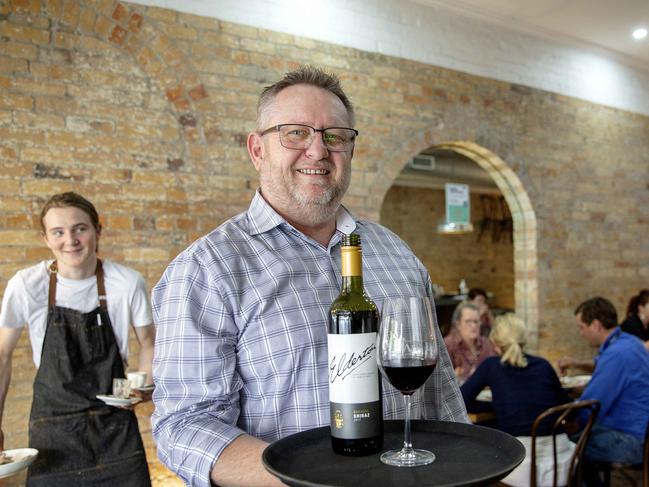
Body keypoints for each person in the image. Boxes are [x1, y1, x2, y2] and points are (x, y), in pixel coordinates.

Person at [151, 65, 468, 487]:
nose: (318, 151)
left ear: (350, 151)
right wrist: (307, 479)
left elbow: (441, 394)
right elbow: (186, 425)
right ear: (258, 150)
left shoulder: (398, 253)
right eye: (295, 133)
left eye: (334, 136)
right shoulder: (207, 269)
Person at [0, 192, 154, 486]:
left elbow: (148, 341)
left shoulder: (127, 282)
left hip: (114, 427)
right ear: (46, 238)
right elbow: (2, 356)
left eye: (80, 229)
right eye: (58, 232)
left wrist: (143, 384)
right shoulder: (26, 285)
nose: (70, 240)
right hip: (53, 431)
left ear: (98, 230)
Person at [461, 313, 573, 486]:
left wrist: (497, 405)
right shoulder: (543, 365)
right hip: (561, 463)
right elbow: (563, 405)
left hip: (520, 465)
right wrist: (500, 405)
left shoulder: (491, 365)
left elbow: (462, 400)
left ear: (495, 344)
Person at [569, 297, 649, 485]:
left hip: (628, 440)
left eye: (582, 327)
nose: (582, 333)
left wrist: (569, 420)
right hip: (642, 434)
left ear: (596, 325)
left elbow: (591, 405)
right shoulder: (631, 342)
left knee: (565, 445)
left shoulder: (617, 354)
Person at [444, 301, 497, 383]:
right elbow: (443, 381)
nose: (473, 325)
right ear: (458, 324)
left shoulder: (487, 343)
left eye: (476, 321)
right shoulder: (448, 344)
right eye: (468, 321)